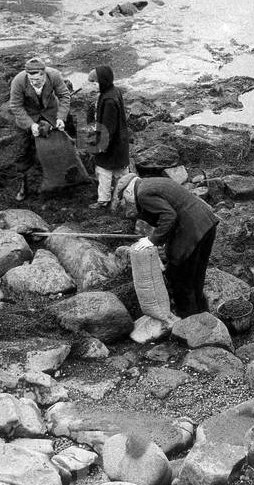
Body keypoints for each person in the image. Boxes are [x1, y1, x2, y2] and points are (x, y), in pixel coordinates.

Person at [112, 174, 219, 318]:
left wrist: (152, 240)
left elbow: (169, 216)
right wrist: (155, 238)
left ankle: (189, 322)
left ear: (128, 192)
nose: (128, 203)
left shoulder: (143, 194)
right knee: (197, 276)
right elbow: (170, 212)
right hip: (206, 224)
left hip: (191, 231)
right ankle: (204, 316)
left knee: (181, 280)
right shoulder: (152, 182)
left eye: (125, 199)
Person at [8, 56, 72, 201]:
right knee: (23, 151)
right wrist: (30, 124)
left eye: (38, 79)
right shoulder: (18, 81)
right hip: (28, 116)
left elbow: (64, 96)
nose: (34, 82)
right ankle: (23, 185)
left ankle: (61, 181)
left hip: (50, 113)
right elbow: (15, 106)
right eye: (31, 80)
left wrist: (61, 117)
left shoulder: (54, 75)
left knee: (59, 145)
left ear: (44, 74)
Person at [89, 65, 130, 209]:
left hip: (111, 144)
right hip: (120, 141)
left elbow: (108, 128)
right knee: (122, 171)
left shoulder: (108, 101)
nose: (92, 86)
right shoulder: (114, 91)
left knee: (103, 171)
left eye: (94, 82)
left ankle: (103, 200)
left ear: (103, 81)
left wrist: (101, 147)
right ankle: (126, 196)